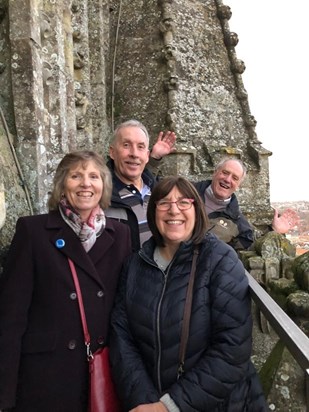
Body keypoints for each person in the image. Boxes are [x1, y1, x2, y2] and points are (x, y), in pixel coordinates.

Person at [110, 176, 268, 411]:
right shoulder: (135, 264)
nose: (174, 210)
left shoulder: (220, 260)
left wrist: (170, 406)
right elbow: (122, 336)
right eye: (163, 202)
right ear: (153, 211)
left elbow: (232, 349)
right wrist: (144, 401)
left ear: (197, 210)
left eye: (184, 202)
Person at [0, 150, 131, 411]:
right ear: (62, 184)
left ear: (103, 186)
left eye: (94, 176)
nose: (85, 183)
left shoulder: (121, 234)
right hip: (46, 377)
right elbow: (10, 318)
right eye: (76, 176)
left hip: (101, 371)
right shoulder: (33, 231)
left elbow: (125, 307)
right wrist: (4, 394)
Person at [195, 157, 299, 251]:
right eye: (225, 172)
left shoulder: (238, 223)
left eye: (235, 178)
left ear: (238, 185)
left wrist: (274, 231)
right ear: (215, 172)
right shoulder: (185, 191)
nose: (227, 180)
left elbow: (253, 246)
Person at [106, 119, 176, 252]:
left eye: (141, 147)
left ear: (147, 156)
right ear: (112, 152)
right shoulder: (99, 195)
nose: (134, 153)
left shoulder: (160, 192)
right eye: (126, 145)